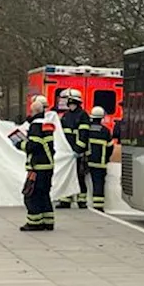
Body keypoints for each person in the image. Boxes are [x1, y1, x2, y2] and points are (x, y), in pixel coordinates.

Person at [20, 95, 56, 231]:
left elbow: (33, 146)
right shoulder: (46, 124)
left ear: (33, 111)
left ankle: (34, 223)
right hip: (48, 166)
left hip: (37, 166)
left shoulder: (35, 125)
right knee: (44, 194)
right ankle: (48, 221)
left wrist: (20, 144)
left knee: (31, 195)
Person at [57, 89, 90, 209]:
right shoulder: (66, 116)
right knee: (66, 175)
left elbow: (84, 135)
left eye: (71, 102)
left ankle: (82, 200)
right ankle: (65, 199)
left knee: (79, 176)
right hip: (67, 153)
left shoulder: (83, 115)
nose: (70, 104)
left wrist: (78, 150)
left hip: (77, 153)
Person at [80, 106, 114, 211]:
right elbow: (110, 147)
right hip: (100, 162)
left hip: (87, 160)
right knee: (98, 183)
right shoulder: (106, 131)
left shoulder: (87, 129)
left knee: (81, 180)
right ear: (102, 118)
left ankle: (82, 201)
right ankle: (98, 205)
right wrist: (107, 158)